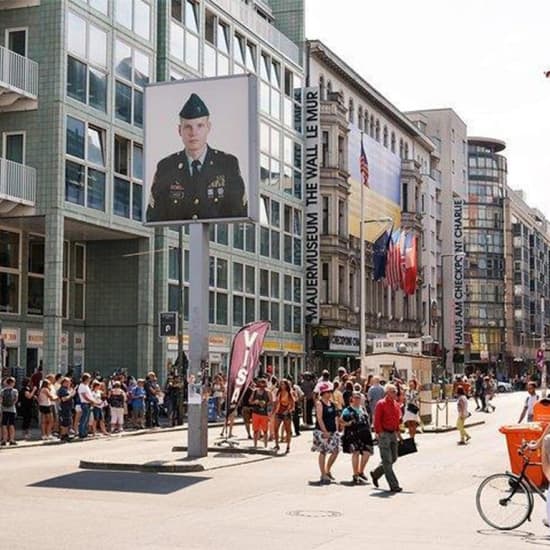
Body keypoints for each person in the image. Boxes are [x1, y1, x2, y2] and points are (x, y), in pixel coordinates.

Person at [146, 93, 247, 223]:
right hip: (180, 240)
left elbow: (239, 213)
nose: (193, 132)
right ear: (179, 130)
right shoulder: (166, 167)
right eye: (188, 126)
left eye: (200, 126)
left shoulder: (227, 164)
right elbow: (154, 216)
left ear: (208, 128)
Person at [370, 383, 403, 493]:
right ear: (387, 393)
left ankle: (376, 473)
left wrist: (399, 434)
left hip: (393, 433)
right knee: (387, 460)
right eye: (393, 391)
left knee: (393, 458)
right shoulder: (381, 404)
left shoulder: (396, 404)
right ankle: (394, 485)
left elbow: (396, 420)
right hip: (384, 433)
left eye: (395, 391)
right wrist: (378, 432)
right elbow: (377, 419)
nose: (395, 393)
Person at [341, 391, 373, 484]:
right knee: (356, 453)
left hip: (365, 434)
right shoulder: (347, 409)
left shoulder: (363, 408)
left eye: (359, 398)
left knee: (367, 453)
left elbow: (367, 420)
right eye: (355, 397)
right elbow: (341, 421)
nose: (357, 399)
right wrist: (348, 423)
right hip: (353, 433)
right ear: (352, 399)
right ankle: (355, 475)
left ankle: (361, 471)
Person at [311, 382, 340, 484]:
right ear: (322, 393)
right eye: (326, 392)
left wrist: (336, 430)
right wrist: (325, 431)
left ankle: (328, 470)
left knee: (336, 451)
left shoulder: (332, 403)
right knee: (323, 451)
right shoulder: (319, 403)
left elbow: (336, 417)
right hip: (322, 431)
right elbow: (319, 418)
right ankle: (323, 473)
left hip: (332, 431)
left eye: (330, 392)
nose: (328, 394)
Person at [273, 379, 295, 453]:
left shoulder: (289, 393)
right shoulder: (278, 392)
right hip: (278, 412)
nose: (281, 385)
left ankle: (288, 446)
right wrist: (273, 411)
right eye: (280, 384)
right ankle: (276, 444)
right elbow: (275, 403)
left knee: (288, 430)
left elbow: (293, 406)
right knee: (275, 429)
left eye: (283, 384)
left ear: (286, 385)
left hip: (286, 413)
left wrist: (288, 411)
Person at [250, 378, 272, 448]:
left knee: (265, 430)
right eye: (261, 383)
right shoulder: (255, 391)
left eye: (263, 383)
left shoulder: (268, 392)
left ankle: (265, 445)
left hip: (264, 413)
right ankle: (255, 445)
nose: (262, 385)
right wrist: (254, 402)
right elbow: (250, 401)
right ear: (258, 384)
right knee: (255, 430)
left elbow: (271, 402)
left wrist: (265, 403)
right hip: (255, 412)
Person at [1, 377, 19, 446]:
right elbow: (16, 400)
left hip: (4, 409)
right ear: (12, 383)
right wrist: (11, 404)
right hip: (12, 410)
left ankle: (4, 440)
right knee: (12, 424)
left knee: (4, 424)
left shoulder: (2, 391)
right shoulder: (15, 391)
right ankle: (11, 439)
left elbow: (1, 400)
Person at [57, 377, 75, 442]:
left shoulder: (66, 389)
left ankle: (66, 435)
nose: (69, 383)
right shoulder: (62, 390)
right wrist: (71, 395)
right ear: (64, 382)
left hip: (68, 408)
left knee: (68, 422)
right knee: (65, 422)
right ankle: (63, 435)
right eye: (68, 382)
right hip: (64, 408)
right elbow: (63, 399)